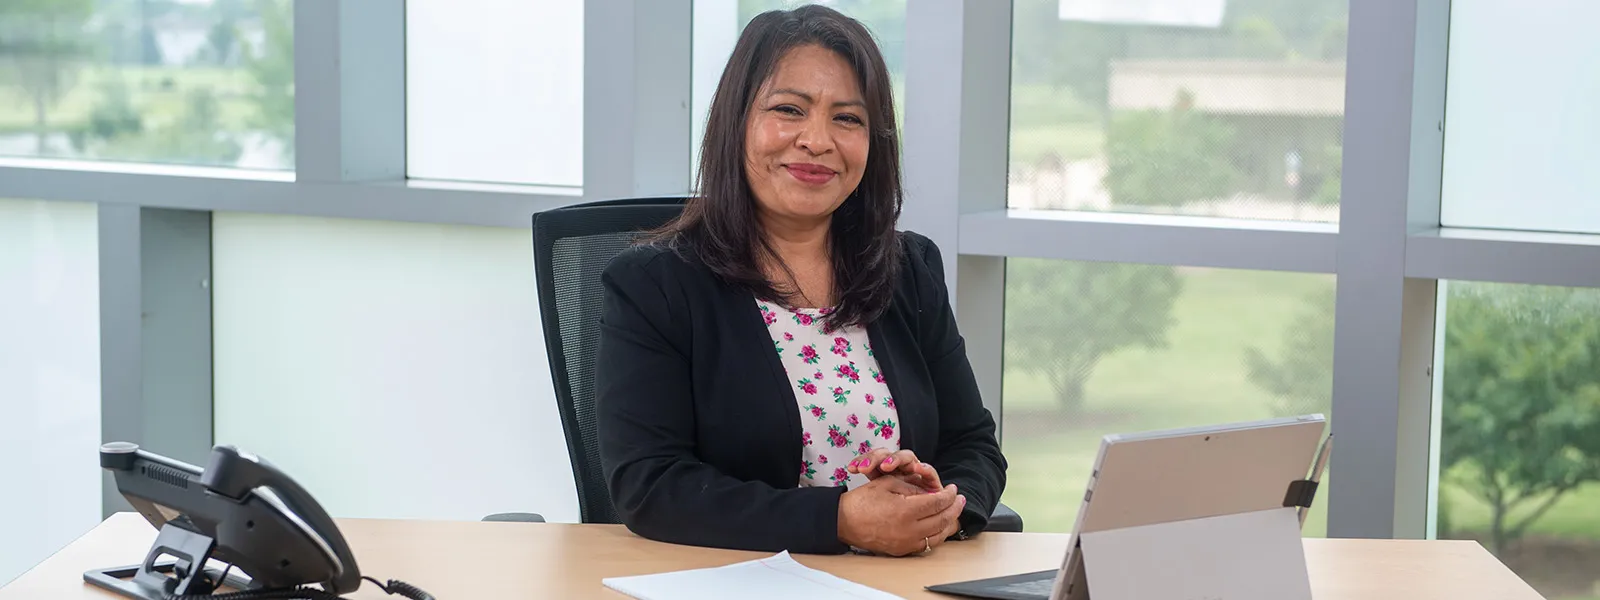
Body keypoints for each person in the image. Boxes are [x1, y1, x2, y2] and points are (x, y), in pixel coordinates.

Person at [595, 4, 1006, 558]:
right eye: (789, 109)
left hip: (900, 583)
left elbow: (974, 446)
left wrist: (936, 505)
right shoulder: (655, 286)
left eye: (848, 118)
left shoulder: (908, 270)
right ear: (736, 122)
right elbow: (650, 485)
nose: (817, 141)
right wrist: (839, 519)